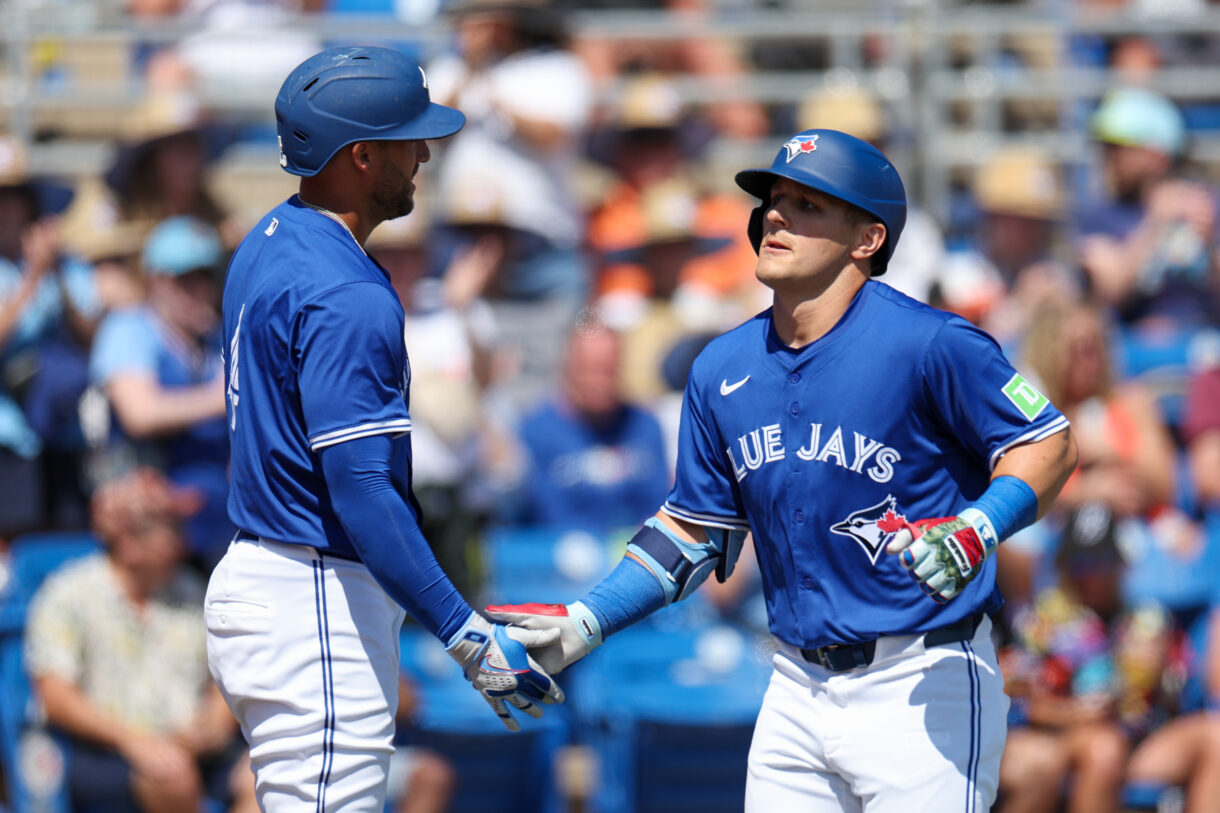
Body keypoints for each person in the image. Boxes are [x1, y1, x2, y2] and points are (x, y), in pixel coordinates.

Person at [488, 128, 1078, 811]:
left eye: (809, 204)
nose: (775, 215)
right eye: (773, 200)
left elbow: (1050, 441)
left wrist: (979, 525)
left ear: (868, 239)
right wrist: (587, 620)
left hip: (922, 674)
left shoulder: (932, 343)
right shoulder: (720, 367)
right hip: (794, 686)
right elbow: (691, 531)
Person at [204, 45, 562, 811]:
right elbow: (363, 488)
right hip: (313, 593)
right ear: (360, 155)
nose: (425, 154)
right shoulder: (347, 292)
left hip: (267, 574)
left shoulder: (268, 239)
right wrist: (463, 630)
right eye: (408, 138)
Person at [24, 467, 257, 813]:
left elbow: (221, 676)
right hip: (108, 753)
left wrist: (217, 720)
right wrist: (136, 742)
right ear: (128, 543)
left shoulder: (193, 592)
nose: (184, 541)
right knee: (172, 780)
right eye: (171, 529)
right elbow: (56, 697)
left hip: (193, 752)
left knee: (266, 775)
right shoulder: (69, 593)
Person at [88, 215, 233, 572]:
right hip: (146, 519)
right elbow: (141, 414)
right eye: (185, 280)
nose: (198, 290)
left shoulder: (218, 336)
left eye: (206, 278)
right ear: (157, 281)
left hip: (216, 512)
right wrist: (223, 398)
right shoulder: (130, 328)